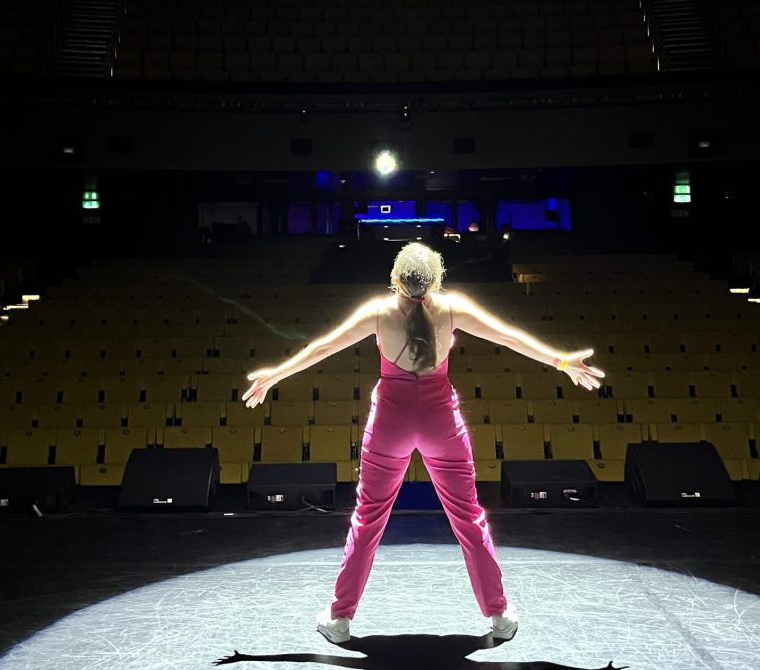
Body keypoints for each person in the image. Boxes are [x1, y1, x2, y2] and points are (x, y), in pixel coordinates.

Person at [242, 243, 604, 644]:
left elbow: (323, 347)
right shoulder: (454, 308)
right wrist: (562, 361)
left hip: (390, 424)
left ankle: (340, 619)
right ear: (436, 281)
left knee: (367, 520)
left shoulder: (377, 312)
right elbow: (508, 336)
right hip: (440, 422)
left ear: (395, 280)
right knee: (469, 518)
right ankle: (499, 615)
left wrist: (275, 374)